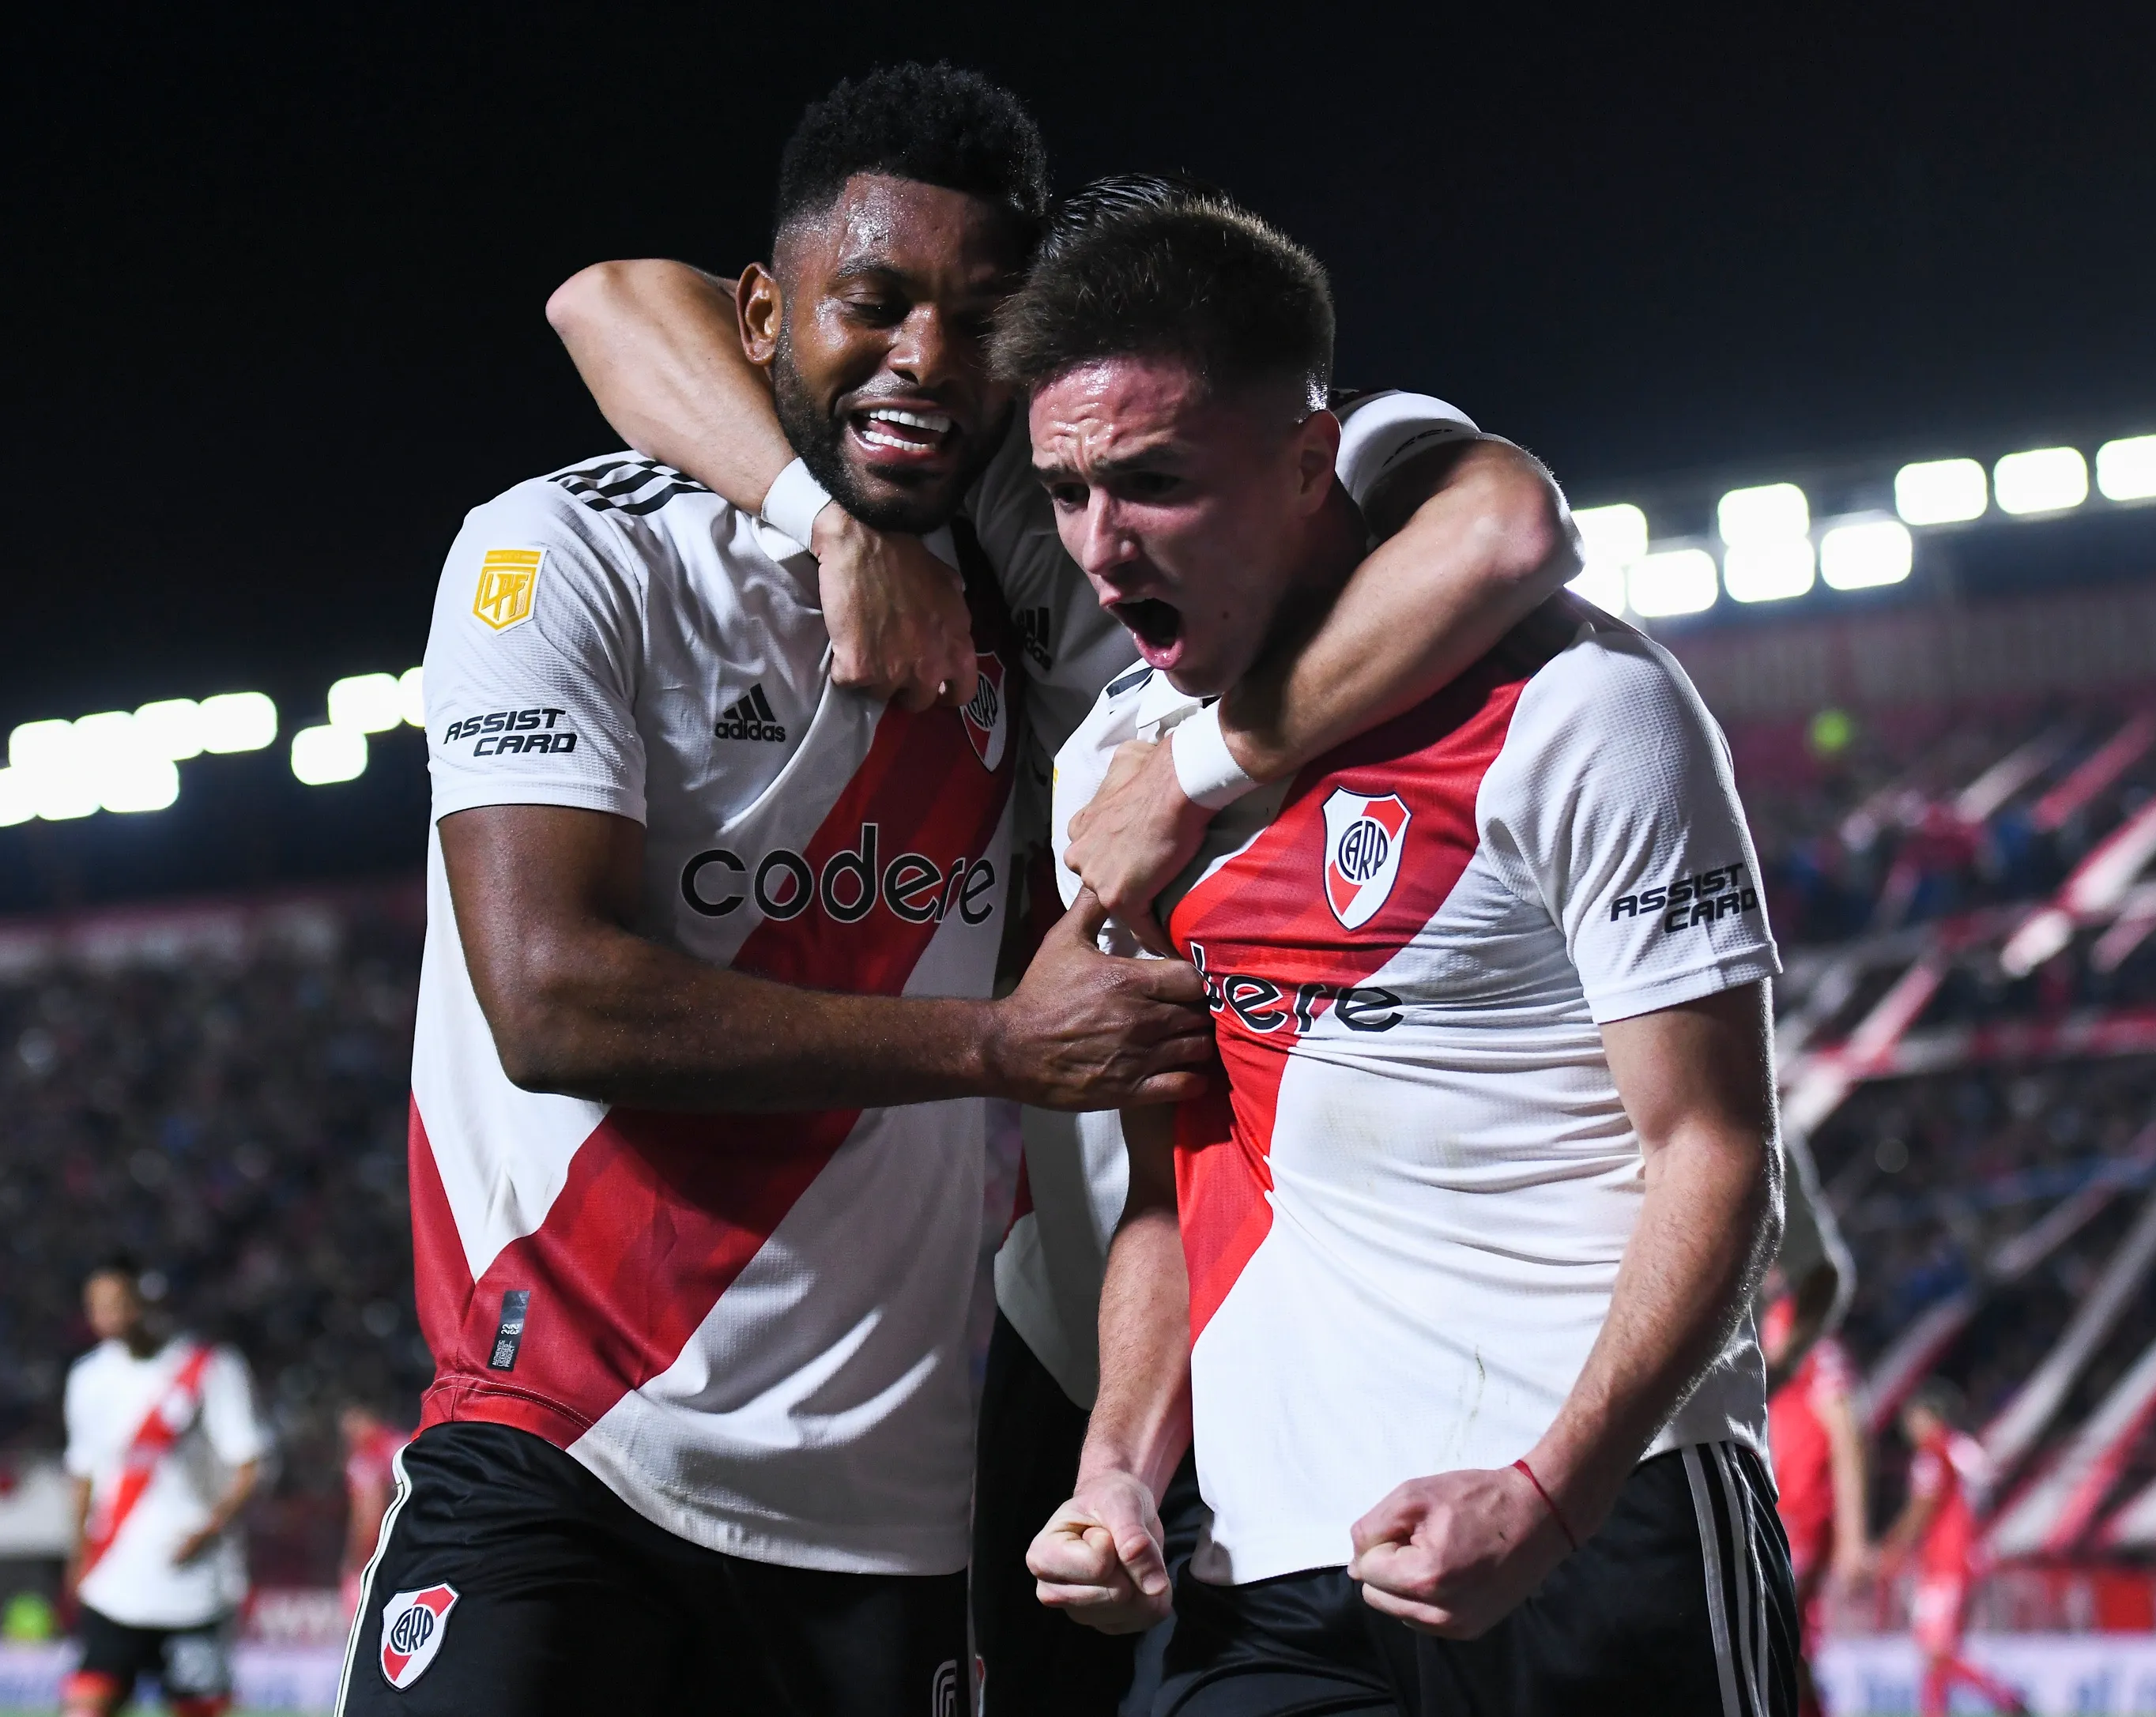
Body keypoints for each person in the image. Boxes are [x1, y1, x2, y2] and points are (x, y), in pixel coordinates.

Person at [545, 163, 1579, 1712]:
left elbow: (1507, 527)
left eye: (991, 318)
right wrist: (824, 520)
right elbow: (607, 297)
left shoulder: (1308, 476)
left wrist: (1206, 767)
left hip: (1359, 1267)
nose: (948, 359)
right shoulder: (1005, 506)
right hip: (1105, 1260)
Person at [1008, 193, 1797, 1712]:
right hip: (1266, 1570)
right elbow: (1172, 1195)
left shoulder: (1581, 710)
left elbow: (1716, 1151)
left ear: (1314, 464)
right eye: (1065, 491)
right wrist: (1118, 1470)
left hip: (1597, 1528)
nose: (1102, 549)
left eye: (1156, 484)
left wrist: (1554, 1492)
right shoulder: (1113, 782)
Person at [62, 1259, 268, 1717]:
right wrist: (78, 1558)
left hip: (193, 1588)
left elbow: (249, 1464)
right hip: (114, 1583)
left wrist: (210, 1530)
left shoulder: (210, 1369)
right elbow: (82, 1475)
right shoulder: (87, 1377)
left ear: (145, 1302)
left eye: (116, 1304)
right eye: (96, 1307)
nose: (105, 1317)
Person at [1879, 1383, 2028, 1717]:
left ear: (1930, 1417)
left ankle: (2007, 1700)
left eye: (1913, 1418)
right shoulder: (1965, 1448)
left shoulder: (1934, 1452)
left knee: (1936, 1652)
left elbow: (1923, 1506)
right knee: (1935, 1652)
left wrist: (1893, 1546)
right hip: (1967, 1558)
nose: (1908, 1427)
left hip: (1946, 1563)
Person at [1763, 1282, 1865, 1717]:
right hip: (1780, 1510)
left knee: (1776, 1633)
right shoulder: (1767, 1326)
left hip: (1804, 1517)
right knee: (1785, 1640)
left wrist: (1853, 1539)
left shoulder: (1812, 1339)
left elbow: (1847, 1435)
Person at [335, 1405, 408, 1623]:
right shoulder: (404, 1443)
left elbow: (368, 1514)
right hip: (416, 1547)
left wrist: (355, 1561)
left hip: (382, 1555)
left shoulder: (364, 1457)